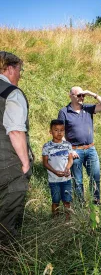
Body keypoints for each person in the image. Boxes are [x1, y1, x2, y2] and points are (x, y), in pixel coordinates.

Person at [0, 51, 33, 241]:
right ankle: (8, 258)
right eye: (20, 70)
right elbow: (15, 131)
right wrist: (25, 164)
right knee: (7, 215)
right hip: (7, 164)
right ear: (10, 68)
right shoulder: (11, 93)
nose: (20, 75)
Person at [58, 86, 101, 205]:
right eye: (79, 95)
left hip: (90, 149)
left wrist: (92, 94)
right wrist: (69, 149)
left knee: (95, 177)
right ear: (71, 96)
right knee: (78, 180)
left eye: (83, 95)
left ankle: (95, 202)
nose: (82, 98)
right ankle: (80, 204)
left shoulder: (87, 108)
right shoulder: (64, 112)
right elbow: (60, 133)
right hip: (75, 151)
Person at [42, 120, 73, 220]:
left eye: (62, 130)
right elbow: (45, 163)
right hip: (54, 179)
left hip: (66, 179)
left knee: (67, 201)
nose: (59, 133)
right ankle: (55, 220)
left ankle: (68, 221)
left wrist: (67, 169)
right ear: (50, 131)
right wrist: (55, 172)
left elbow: (70, 160)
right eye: (56, 130)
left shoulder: (68, 145)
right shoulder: (47, 146)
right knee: (55, 200)